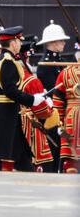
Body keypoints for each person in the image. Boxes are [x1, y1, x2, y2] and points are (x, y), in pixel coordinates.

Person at [0, 26, 49, 171]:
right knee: (1, 151)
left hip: (5, 111)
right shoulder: (7, 62)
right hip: (6, 112)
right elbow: (10, 91)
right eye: (19, 41)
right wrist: (32, 100)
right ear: (13, 43)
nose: (20, 44)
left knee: (16, 149)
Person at [18, 35, 59, 172]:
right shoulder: (31, 81)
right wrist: (50, 109)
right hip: (30, 125)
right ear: (26, 58)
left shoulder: (8, 76)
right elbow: (42, 111)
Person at [36, 20, 71, 172]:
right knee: (54, 147)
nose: (64, 43)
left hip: (65, 110)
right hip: (53, 113)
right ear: (52, 42)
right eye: (61, 40)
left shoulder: (62, 62)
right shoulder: (44, 65)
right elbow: (54, 91)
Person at [53, 40, 80, 173]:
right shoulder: (65, 73)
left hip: (71, 119)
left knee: (70, 161)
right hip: (72, 120)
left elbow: (57, 102)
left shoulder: (65, 73)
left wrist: (60, 124)